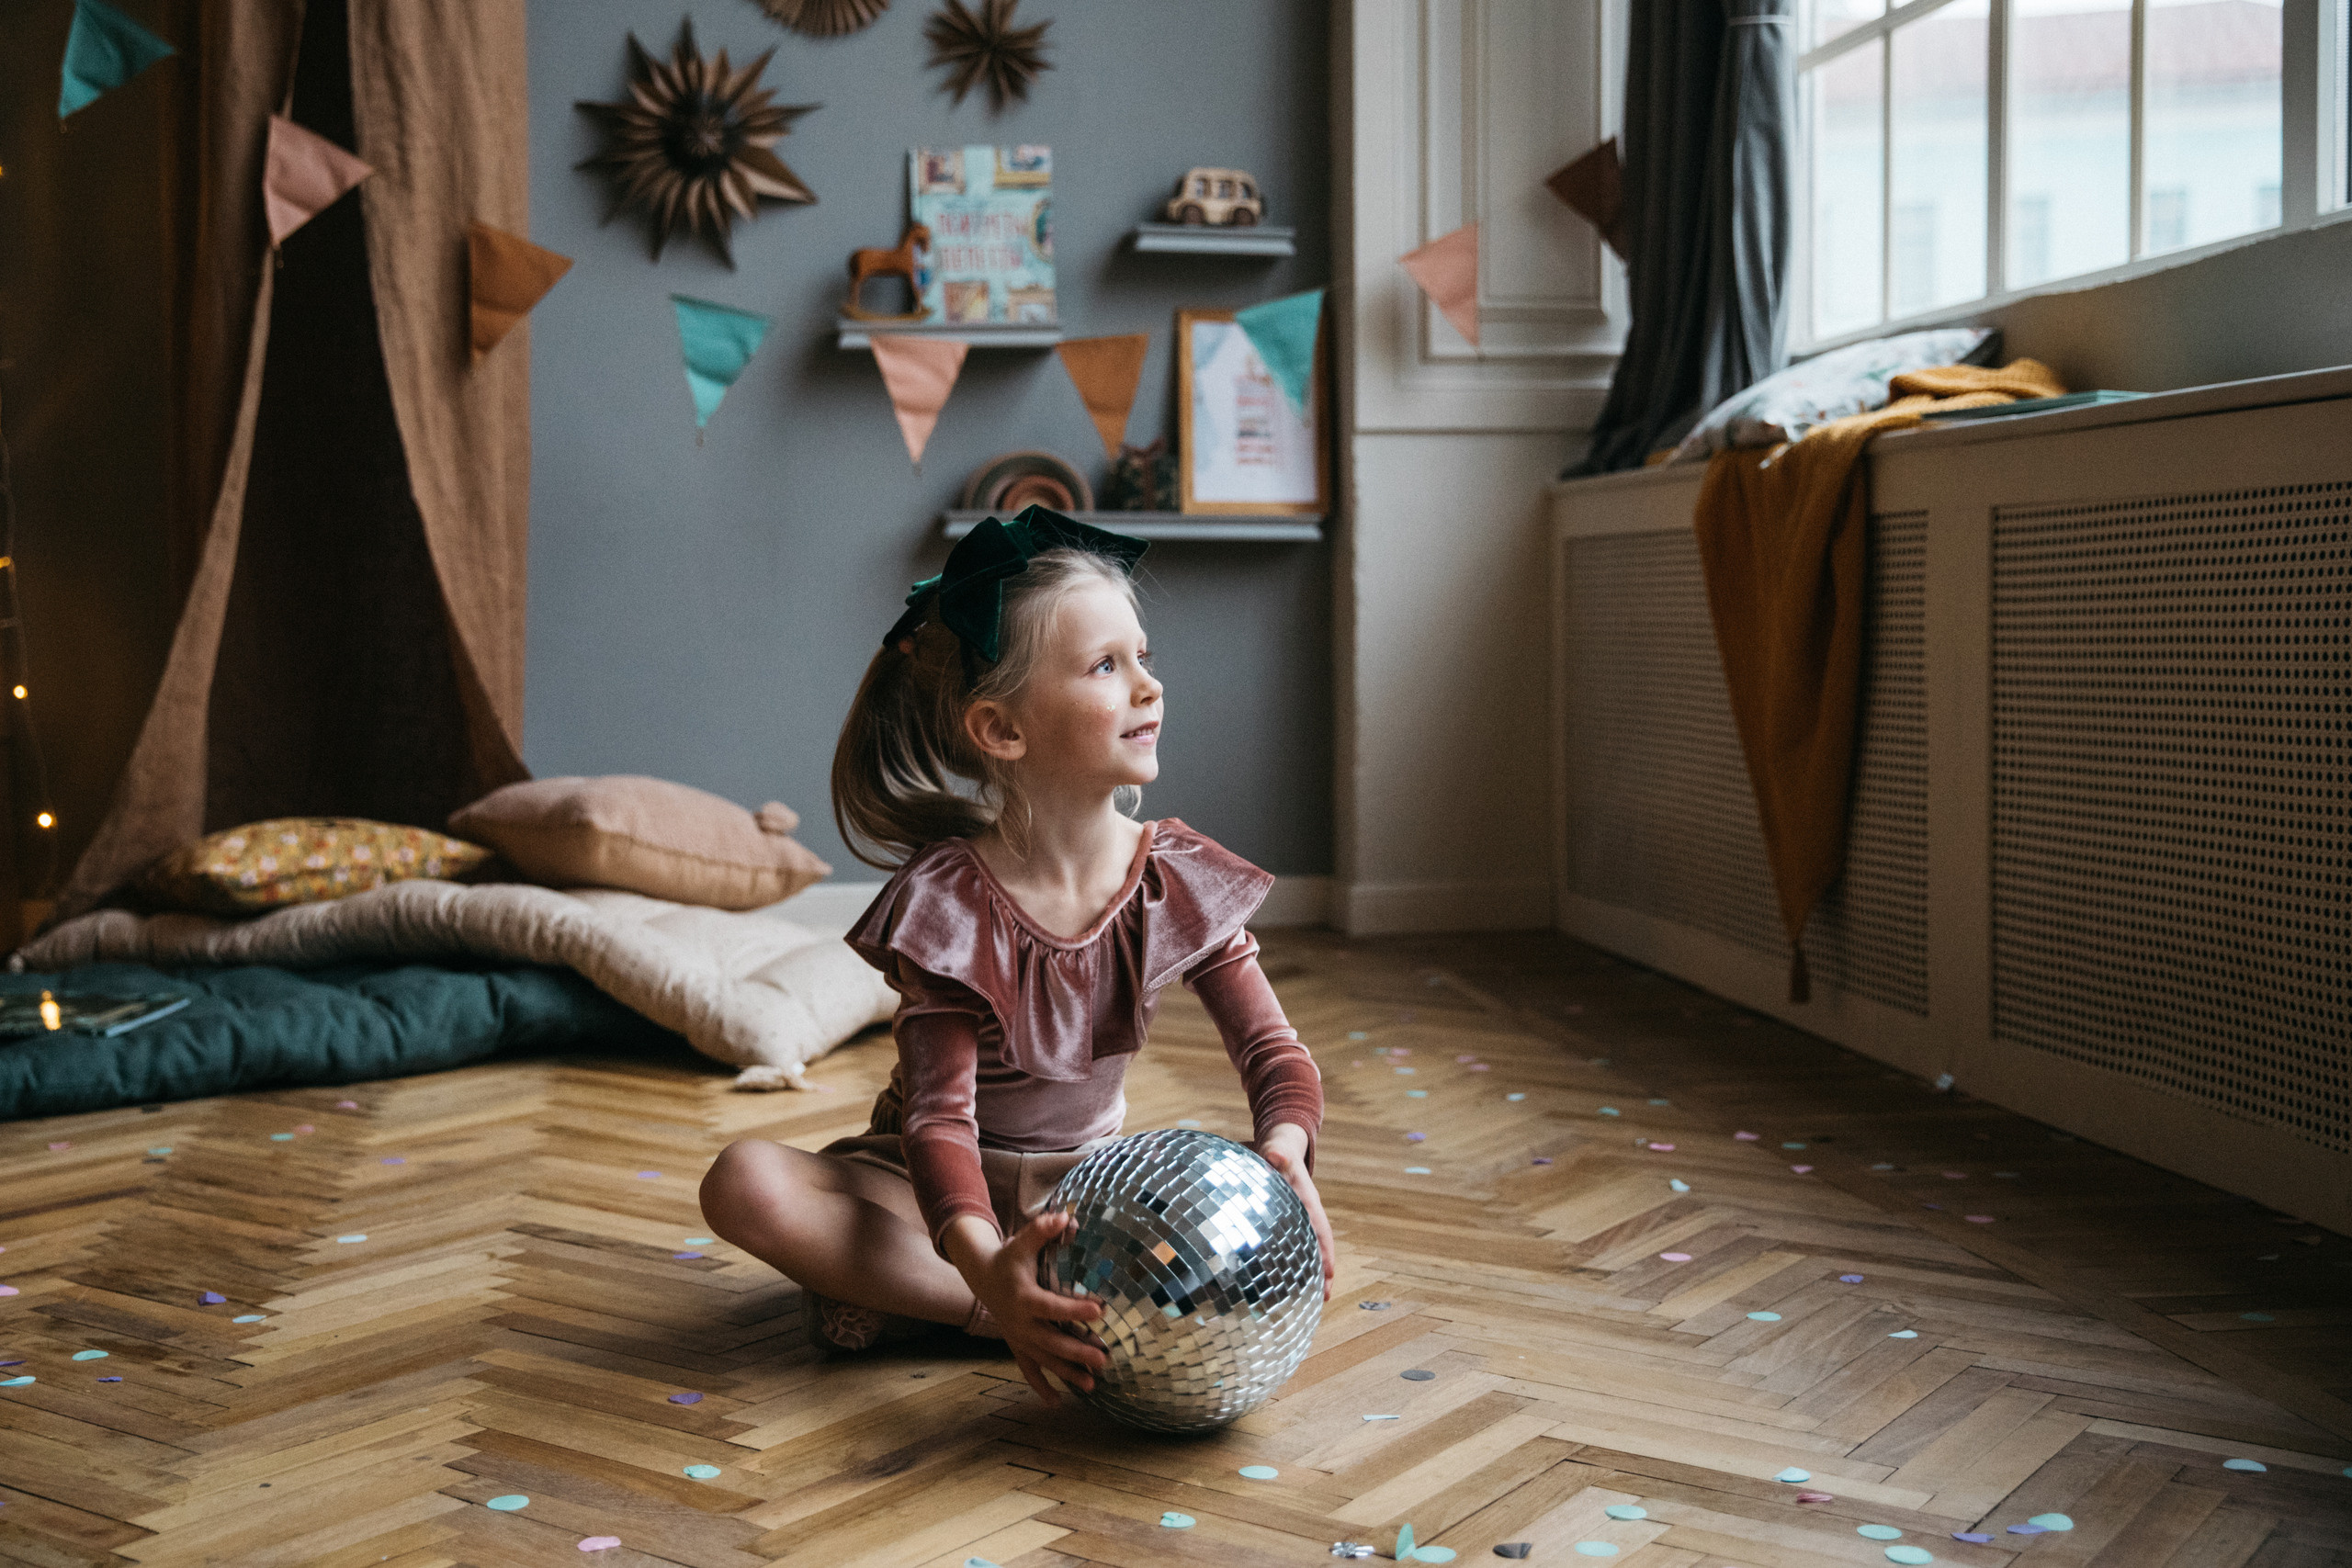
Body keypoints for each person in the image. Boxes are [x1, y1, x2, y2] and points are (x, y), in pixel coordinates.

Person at [698, 508, 1332, 1408]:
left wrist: (1285, 1146)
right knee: (745, 1182)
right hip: (922, 1198)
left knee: (1203, 1223)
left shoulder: (1174, 875)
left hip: (1086, 1204)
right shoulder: (950, 902)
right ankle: (1002, 1311)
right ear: (1001, 729)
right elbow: (937, 1126)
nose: (1148, 687)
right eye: (1107, 667)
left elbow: (1273, 1054)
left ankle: (917, 1301)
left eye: (1143, 657)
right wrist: (987, 1268)